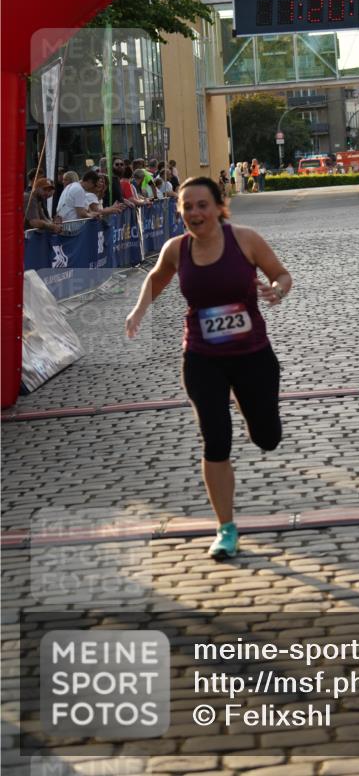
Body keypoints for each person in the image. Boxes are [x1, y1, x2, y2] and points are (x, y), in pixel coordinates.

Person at [125, 176, 292, 561]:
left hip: (252, 355)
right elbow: (156, 278)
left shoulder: (245, 239)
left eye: (202, 205)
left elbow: (281, 274)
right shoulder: (176, 249)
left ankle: (247, 404)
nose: (195, 213)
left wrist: (276, 290)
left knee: (266, 437)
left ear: (219, 206)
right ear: (180, 211)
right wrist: (138, 311)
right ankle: (226, 528)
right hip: (201, 358)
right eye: (187, 206)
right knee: (215, 441)